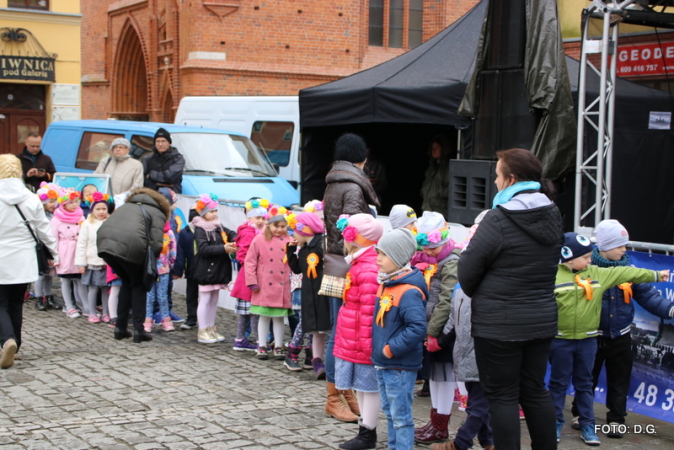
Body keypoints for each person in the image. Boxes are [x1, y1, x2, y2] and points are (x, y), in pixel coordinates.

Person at [457, 148, 564, 450]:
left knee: (502, 396)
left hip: (499, 326)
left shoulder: (498, 218)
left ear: (511, 179)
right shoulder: (553, 213)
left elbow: (467, 273)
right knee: (534, 390)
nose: (494, 182)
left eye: (497, 176)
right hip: (540, 320)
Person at [551, 232, 668, 446]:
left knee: (590, 383)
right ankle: (556, 422)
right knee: (560, 383)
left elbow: (630, 275)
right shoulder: (553, 277)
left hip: (593, 339)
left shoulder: (598, 273)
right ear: (569, 256)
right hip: (563, 340)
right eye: (585, 257)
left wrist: (656, 276)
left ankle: (593, 424)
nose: (589, 260)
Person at [324, 133, 380, 423]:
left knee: (338, 332)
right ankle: (334, 397)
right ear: (363, 159)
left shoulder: (333, 183)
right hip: (349, 267)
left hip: (334, 264)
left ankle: (343, 393)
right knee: (340, 334)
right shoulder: (354, 187)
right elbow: (356, 235)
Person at [0, 154, 58, 369]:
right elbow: (43, 228)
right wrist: (55, 253)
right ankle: (16, 344)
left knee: (0, 302)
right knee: (16, 302)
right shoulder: (30, 196)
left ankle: (7, 340)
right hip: (23, 256)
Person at [372, 228, 428, 450]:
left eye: (383, 254)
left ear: (397, 257)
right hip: (385, 363)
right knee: (389, 411)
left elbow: (416, 328)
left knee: (401, 416)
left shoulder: (409, 290)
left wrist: (389, 349)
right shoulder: (387, 284)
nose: (378, 259)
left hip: (399, 364)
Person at [333, 213, 384, 449]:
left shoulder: (367, 268)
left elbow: (369, 312)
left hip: (361, 337)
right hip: (353, 334)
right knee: (362, 386)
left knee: (368, 386)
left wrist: (367, 344)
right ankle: (364, 427)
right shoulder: (360, 263)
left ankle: (368, 431)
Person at [97, 187, 171, 343]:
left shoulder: (126, 206)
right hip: (130, 248)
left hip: (105, 246)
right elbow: (157, 243)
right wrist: (150, 264)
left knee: (126, 284)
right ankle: (139, 330)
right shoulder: (157, 212)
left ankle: (120, 328)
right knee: (138, 287)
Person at [412, 212, 460, 444]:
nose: (429, 252)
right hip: (430, 328)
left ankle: (441, 426)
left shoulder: (451, 262)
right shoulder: (426, 259)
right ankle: (436, 422)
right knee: (435, 377)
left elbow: (447, 300)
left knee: (445, 377)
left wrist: (433, 332)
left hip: (444, 332)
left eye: (433, 248)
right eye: (426, 248)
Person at [431, 284, 494, 450]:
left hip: (485, 358)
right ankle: (489, 440)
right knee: (476, 403)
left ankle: (461, 442)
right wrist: (440, 341)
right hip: (464, 356)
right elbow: (453, 320)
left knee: (478, 405)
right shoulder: (460, 291)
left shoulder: (493, 291)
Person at [286, 211, 331, 376]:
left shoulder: (321, 244)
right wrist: (290, 251)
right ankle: (317, 362)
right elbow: (297, 268)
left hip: (324, 293)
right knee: (316, 329)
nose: (294, 235)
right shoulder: (304, 248)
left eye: (295, 231)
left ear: (305, 230)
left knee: (327, 327)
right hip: (310, 294)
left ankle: (330, 361)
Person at [245, 206, 293, 361]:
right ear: (269, 225)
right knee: (264, 316)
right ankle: (262, 345)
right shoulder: (259, 239)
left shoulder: (290, 241)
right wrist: (252, 281)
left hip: (282, 283)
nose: (279, 230)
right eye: (276, 226)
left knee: (279, 317)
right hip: (264, 283)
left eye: (283, 227)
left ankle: (278, 346)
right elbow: (250, 261)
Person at [191, 194, 237, 344]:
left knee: (214, 299)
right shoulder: (200, 229)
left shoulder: (218, 226)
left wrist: (239, 238)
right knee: (204, 299)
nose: (215, 214)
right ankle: (202, 329)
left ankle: (211, 327)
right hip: (206, 270)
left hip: (218, 269)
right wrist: (223, 248)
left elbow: (232, 234)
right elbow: (203, 249)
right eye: (211, 211)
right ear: (203, 213)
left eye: (216, 211)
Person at [230, 198, 269, 351]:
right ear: (249, 218)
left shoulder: (259, 232)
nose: (260, 221)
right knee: (253, 311)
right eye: (257, 217)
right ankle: (260, 341)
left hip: (251, 275)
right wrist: (253, 266)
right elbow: (243, 254)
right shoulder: (248, 232)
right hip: (249, 277)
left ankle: (240, 339)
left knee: (246, 312)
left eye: (263, 218)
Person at [75, 192, 114, 324]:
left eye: (104, 209)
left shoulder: (110, 223)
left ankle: (106, 312)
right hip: (92, 261)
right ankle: (92, 312)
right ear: (92, 210)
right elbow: (82, 244)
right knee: (93, 288)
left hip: (106, 262)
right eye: (98, 209)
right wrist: (81, 263)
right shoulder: (87, 224)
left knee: (105, 289)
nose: (101, 212)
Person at [51, 189, 87, 318]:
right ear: (64, 204)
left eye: (76, 201)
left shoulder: (81, 216)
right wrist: (54, 256)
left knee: (80, 279)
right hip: (64, 251)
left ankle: (84, 304)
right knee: (65, 280)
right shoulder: (56, 219)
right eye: (71, 202)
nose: (74, 204)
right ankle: (68, 305)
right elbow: (53, 238)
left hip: (78, 250)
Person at [144, 221, 177, 333]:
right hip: (149, 270)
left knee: (163, 296)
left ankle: (165, 319)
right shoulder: (147, 231)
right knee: (150, 297)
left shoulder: (169, 233)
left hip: (163, 269)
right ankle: (148, 319)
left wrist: (171, 263)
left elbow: (173, 249)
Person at [34, 182, 62, 311]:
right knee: (40, 274)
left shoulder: (55, 216)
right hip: (40, 248)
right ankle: (39, 297)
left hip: (50, 247)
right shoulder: (38, 217)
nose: (53, 204)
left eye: (55, 201)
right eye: (51, 202)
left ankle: (48, 296)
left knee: (49, 274)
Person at [171, 205, 200, 330]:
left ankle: (206, 319)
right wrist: (178, 270)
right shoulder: (185, 232)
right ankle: (191, 318)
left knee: (206, 296)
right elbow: (180, 252)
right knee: (191, 295)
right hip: (191, 269)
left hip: (205, 269)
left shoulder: (208, 230)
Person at [142, 128, 185, 193]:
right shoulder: (148, 159)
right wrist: (157, 184)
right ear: (154, 143)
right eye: (158, 141)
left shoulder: (178, 159)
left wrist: (151, 175)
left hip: (172, 196)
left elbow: (170, 177)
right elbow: (142, 180)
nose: (160, 144)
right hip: (151, 195)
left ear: (169, 143)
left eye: (163, 141)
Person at [420, 135, 451, 220]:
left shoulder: (448, 167)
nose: (433, 150)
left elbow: (452, 189)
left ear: (443, 149)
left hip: (440, 211)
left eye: (436, 147)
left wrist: (438, 193)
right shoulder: (432, 167)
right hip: (427, 208)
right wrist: (424, 192)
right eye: (432, 148)